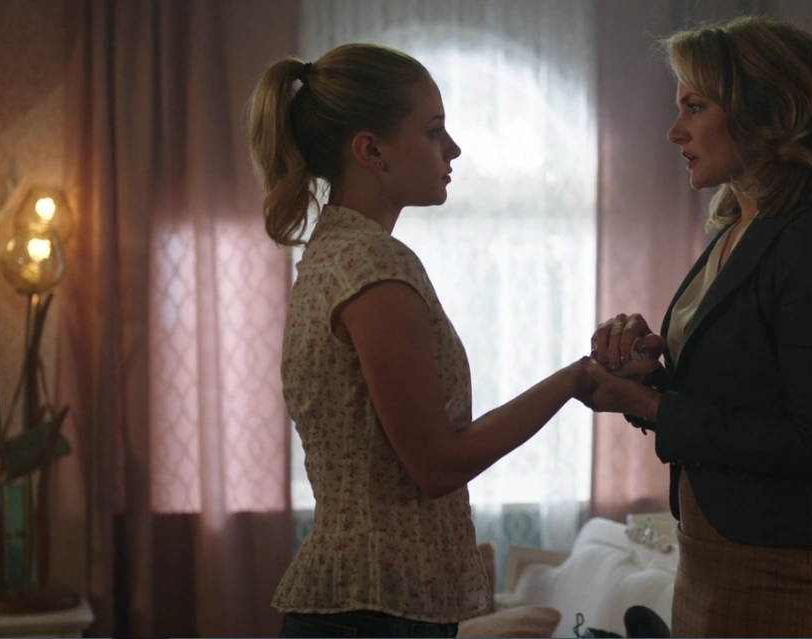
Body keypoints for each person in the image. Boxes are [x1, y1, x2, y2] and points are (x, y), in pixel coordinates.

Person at [247, 44, 607, 638]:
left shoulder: (333, 254)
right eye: (434, 130)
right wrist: (574, 380)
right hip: (376, 614)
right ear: (372, 150)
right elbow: (438, 465)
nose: (453, 148)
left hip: (368, 606)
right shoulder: (372, 264)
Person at [582, 16, 812, 638]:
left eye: (695, 106)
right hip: (714, 545)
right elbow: (737, 396)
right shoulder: (737, 231)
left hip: (784, 563)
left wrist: (649, 405)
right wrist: (651, 377)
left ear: (767, 109)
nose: (675, 131)